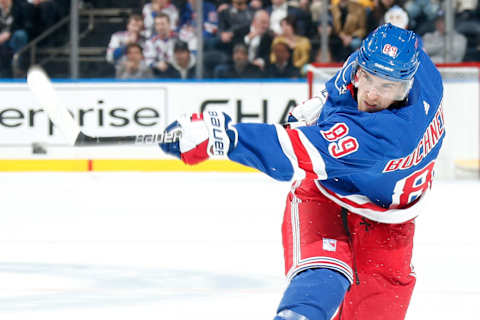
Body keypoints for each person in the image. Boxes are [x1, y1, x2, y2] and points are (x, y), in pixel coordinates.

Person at [159, 23, 445, 320]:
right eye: (368, 77)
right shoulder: (413, 64)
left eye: (386, 86)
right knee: (322, 281)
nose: (371, 93)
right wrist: (322, 102)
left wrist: (222, 138)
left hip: (389, 224)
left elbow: (289, 154)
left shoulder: (389, 134)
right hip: (326, 196)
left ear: (406, 85)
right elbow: (343, 83)